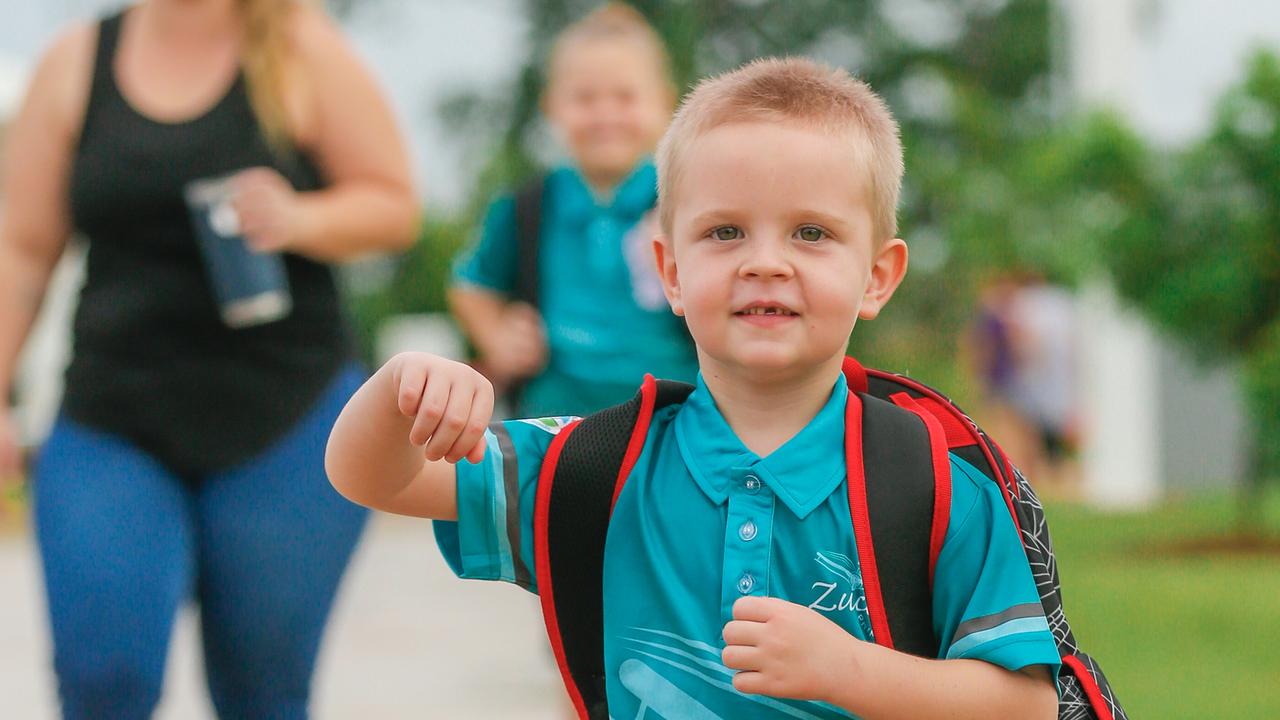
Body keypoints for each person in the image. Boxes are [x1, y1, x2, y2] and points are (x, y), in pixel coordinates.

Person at [327, 58, 1059, 718]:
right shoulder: (596, 465)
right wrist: (399, 390)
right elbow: (371, 477)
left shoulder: (936, 482)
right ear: (669, 272)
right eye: (724, 233)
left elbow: (1024, 706)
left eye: (811, 233)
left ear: (878, 275)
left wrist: (849, 671)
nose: (765, 262)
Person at [0, 0, 417, 716]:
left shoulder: (301, 47)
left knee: (262, 694)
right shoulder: (75, 60)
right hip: (113, 418)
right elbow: (21, 247)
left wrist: (299, 218)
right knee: (104, 681)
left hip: (287, 420)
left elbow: (394, 205)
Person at [448, 3, 697, 418]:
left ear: (664, 103)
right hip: (553, 423)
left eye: (625, 97)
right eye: (585, 98)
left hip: (674, 419)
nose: (605, 114)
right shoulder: (526, 208)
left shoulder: (688, 202)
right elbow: (471, 285)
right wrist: (497, 335)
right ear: (551, 107)